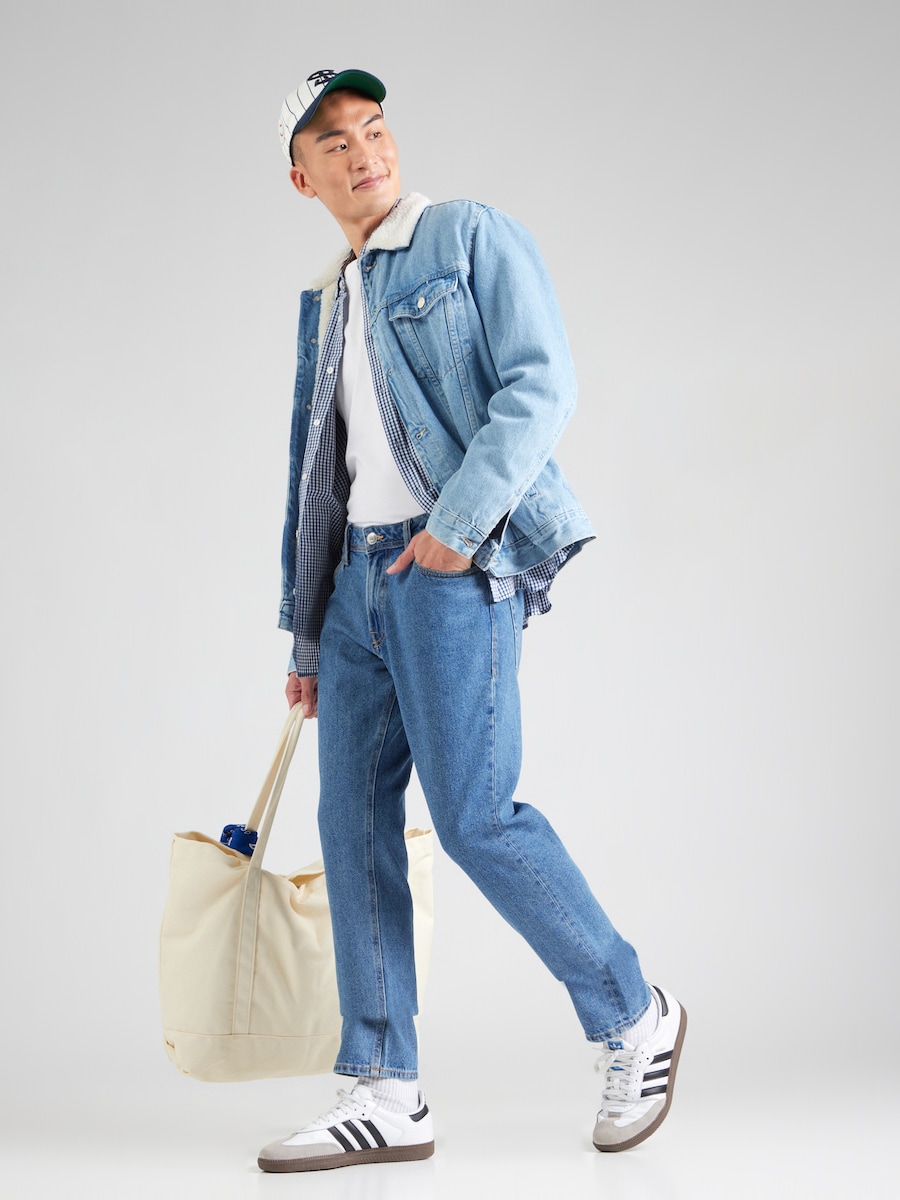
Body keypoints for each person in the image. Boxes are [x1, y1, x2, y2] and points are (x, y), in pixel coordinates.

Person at [257, 67, 686, 1175]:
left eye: (375, 129)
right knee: (351, 831)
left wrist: (454, 529)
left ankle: (633, 1012)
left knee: (475, 818)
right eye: (336, 144)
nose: (364, 152)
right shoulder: (327, 298)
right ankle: (383, 1087)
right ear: (302, 178)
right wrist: (308, 632)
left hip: (445, 570)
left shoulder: (464, 236)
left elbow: (541, 385)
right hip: (353, 589)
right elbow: (318, 472)